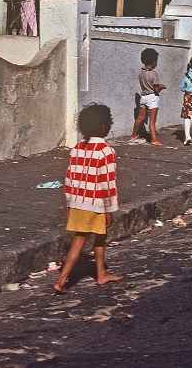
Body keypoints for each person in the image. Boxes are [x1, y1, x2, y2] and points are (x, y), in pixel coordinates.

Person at [54, 104, 123, 292]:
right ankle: (62, 280)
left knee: (100, 236)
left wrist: (69, 204)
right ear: (103, 127)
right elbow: (107, 183)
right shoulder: (105, 151)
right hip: (96, 203)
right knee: (80, 241)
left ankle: (101, 273)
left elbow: (70, 178)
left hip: (77, 201)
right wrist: (109, 209)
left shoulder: (77, 148)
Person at [130, 48, 165, 145]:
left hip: (143, 97)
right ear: (154, 61)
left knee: (140, 118)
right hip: (152, 97)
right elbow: (156, 89)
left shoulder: (141, 72)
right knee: (152, 121)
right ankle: (154, 139)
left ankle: (133, 135)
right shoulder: (154, 74)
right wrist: (162, 87)